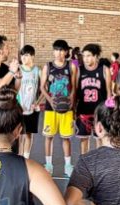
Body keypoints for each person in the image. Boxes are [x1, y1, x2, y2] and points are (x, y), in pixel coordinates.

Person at [41, 39, 77, 176]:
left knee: (65, 138)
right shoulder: (48, 66)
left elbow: (73, 87)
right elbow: (42, 87)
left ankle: (68, 165)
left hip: (66, 108)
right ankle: (48, 164)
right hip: (51, 108)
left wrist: (71, 103)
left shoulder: (71, 66)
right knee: (48, 137)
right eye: (56, 50)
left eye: (61, 50)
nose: (58, 53)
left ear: (66, 52)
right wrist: (50, 100)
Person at [75, 43, 111, 155]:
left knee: (100, 139)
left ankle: (99, 164)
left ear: (96, 57)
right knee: (84, 139)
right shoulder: (79, 70)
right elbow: (75, 92)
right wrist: (73, 109)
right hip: (83, 111)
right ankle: (84, 163)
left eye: (89, 55)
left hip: (100, 112)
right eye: (84, 56)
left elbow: (109, 91)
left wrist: (109, 110)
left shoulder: (104, 70)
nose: (85, 59)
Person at [16, 45, 41, 159]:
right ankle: (18, 157)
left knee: (29, 134)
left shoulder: (37, 71)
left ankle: (26, 158)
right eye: (22, 55)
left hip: (32, 108)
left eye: (26, 55)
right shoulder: (18, 69)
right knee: (19, 134)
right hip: (19, 107)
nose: (23, 58)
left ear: (32, 56)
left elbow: (45, 89)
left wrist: (38, 102)